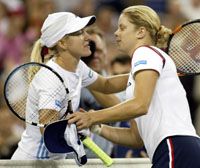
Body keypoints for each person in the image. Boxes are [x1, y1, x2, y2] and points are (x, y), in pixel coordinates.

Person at [67, 5, 200, 167]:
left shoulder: (145, 52)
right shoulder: (142, 68)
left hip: (174, 145)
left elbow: (139, 105)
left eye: (122, 28)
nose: (116, 33)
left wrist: (91, 117)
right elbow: (135, 138)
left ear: (141, 32)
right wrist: (97, 127)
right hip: (174, 148)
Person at [11, 12, 128, 160]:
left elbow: (106, 84)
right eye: (79, 33)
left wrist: (140, 74)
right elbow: (50, 134)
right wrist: (73, 131)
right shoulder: (50, 81)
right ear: (62, 43)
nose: (87, 37)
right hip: (35, 162)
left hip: (52, 162)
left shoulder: (78, 67)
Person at [80, 26, 120, 158]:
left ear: (106, 53)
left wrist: (86, 75)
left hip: (106, 159)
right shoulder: (72, 81)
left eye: (99, 51)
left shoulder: (115, 81)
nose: (95, 55)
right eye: (91, 50)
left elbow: (117, 107)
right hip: (75, 160)